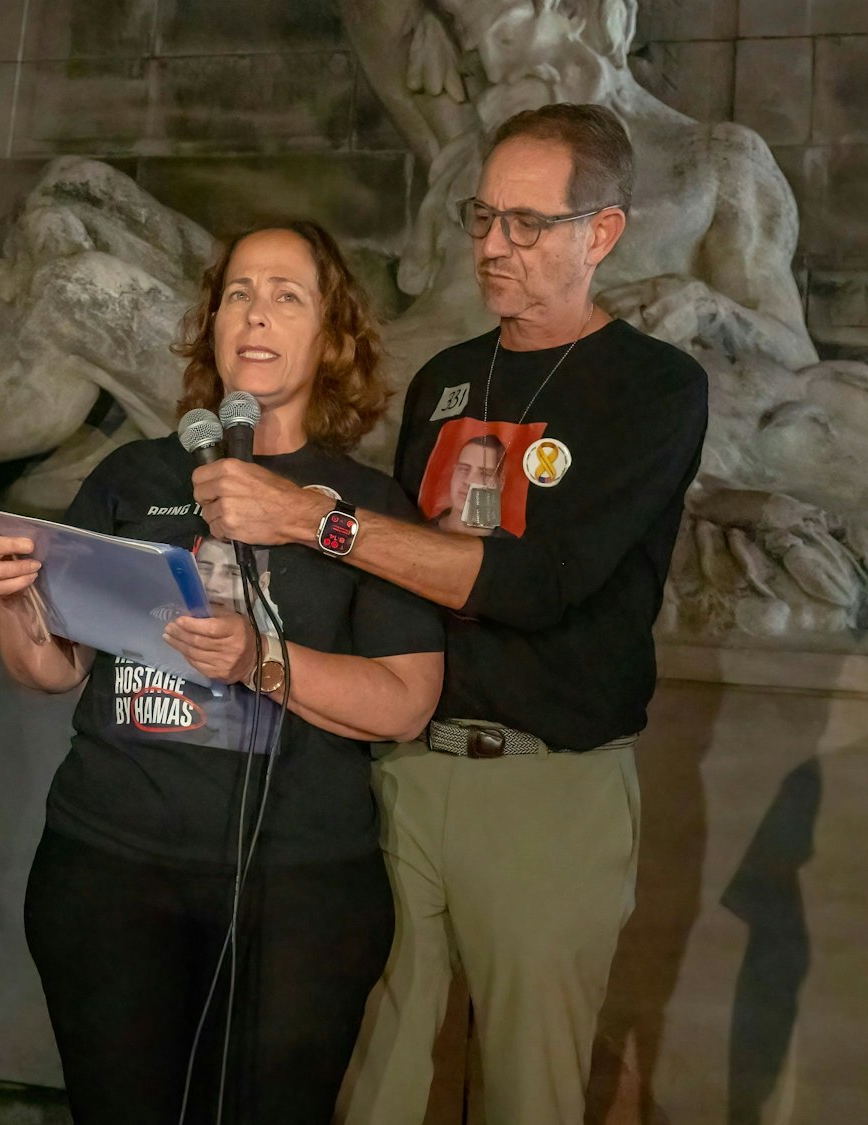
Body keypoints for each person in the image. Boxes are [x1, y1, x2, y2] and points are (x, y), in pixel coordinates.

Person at [187, 104, 709, 1125]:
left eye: (525, 224)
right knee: (369, 1083)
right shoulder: (444, 380)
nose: (490, 246)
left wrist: (317, 524)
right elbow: (396, 580)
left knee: (528, 1092)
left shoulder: (652, 388)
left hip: (541, 788)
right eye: (480, 217)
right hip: (397, 768)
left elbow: (538, 583)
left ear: (600, 232)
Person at [0, 220, 444, 1124]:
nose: (255, 314)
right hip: (109, 868)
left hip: (298, 885)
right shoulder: (132, 474)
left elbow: (405, 700)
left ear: (332, 337)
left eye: (286, 295)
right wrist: (10, 591)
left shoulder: (363, 507)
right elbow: (49, 667)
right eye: (237, 293)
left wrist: (263, 658)